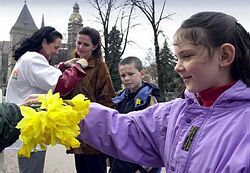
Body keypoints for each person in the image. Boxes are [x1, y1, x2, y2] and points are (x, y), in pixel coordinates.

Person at [76, 11, 250, 172]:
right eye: (177, 58)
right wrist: (69, 114)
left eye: (187, 56)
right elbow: (124, 129)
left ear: (224, 55)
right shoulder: (174, 113)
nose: (177, 67)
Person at [5, 26, 88, 173]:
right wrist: (78, 67)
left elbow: (44, 74)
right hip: (31, 129)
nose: (57, 51)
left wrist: (64, 65)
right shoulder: (33, 59)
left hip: (24, 125)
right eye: (55, 47)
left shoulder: (27, 58)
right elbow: (61, 84)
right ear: (44, 43)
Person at [64, 26, 116, 173]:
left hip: (94, 130)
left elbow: (107, 99)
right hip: (76, 129)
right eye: (78, 42)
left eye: (86, 44)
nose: (81, 47)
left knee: (95, 168)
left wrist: (100, 128)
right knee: (81, 168)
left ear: (94, 46)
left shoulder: (100, 66)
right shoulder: (71, 64)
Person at [110, 56, 163, 173]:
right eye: (123, 76)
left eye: (131, 74)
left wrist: (145, 167)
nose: (127, 78)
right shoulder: (120, 98)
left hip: (144, 162)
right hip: (121, 159)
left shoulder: (151, 98)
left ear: (142, 74)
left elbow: (157, 134)